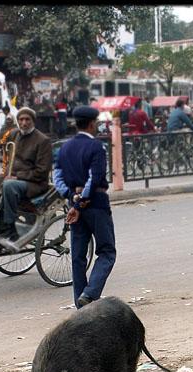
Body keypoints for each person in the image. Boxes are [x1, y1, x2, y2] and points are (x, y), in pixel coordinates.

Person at [53, 106, 115, 308]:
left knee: (78, 257)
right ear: (91, 124)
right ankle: (90, 293)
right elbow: (94, 178)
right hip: (95, 205)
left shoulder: (65, 148)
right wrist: (80, 202)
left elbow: (57, 178)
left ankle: (81, 304)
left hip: (74, 207)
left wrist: (73, 198)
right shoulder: (96, 147)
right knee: (106, 251)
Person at [0, 107, 53, 240]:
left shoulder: (42, 140)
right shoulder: (14, 134)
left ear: (33, 121)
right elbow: (3, 142)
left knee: (9, 185)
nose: (24, 123)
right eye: (21, 119)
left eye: (27, 119)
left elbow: (42, 172)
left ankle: (9, 227)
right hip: (10, 177)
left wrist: (18, 176)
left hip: (34, 183)